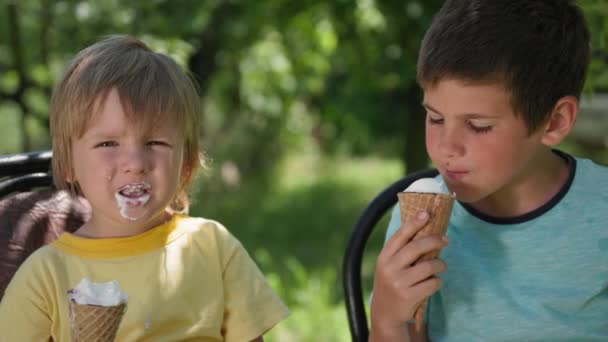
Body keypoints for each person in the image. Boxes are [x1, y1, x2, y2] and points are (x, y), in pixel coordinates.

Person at [0, 35, 289, 341]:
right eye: (108, 143)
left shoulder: (213, 247)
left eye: (156, 142)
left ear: (186, 164)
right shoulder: (46, 275)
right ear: (69, 164)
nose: (135, 162)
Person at [370, 0, 607, 341]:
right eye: (435, 118)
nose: (447, 147)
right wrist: (387, 322)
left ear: (554, 121)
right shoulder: (416, 225)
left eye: (478, 126)